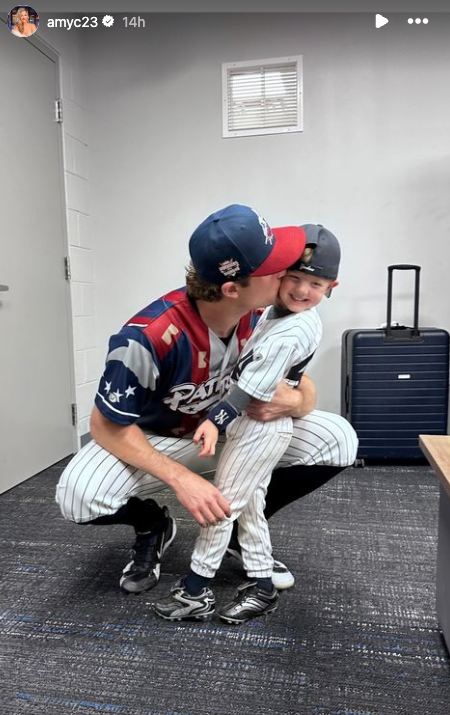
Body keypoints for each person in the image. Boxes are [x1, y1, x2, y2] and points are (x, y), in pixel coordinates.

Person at [55, 204, 357, 598]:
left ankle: (235, 535)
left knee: (339, 438)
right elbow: (103, 425)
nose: (287, 274)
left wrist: (297, 403)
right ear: (231, 287)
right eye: (275, 267)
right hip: (158, 440)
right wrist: (180, 480)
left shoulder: (259, 312)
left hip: (229, 433)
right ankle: (153, 525)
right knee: (78, 497)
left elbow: (299, 383)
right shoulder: (145, 338)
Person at [153, 224, 343, 624]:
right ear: (279, 277)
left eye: (316, 283)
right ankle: (262, 585)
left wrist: (214, 422)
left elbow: (248, 391)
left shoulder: (296, 326)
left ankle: (194, 590)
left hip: (259, 428)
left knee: (221, 508)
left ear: (332, 287)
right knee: (250, 507)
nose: (302, 290)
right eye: (294, 277)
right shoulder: (274, 312)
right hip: (251, 425)